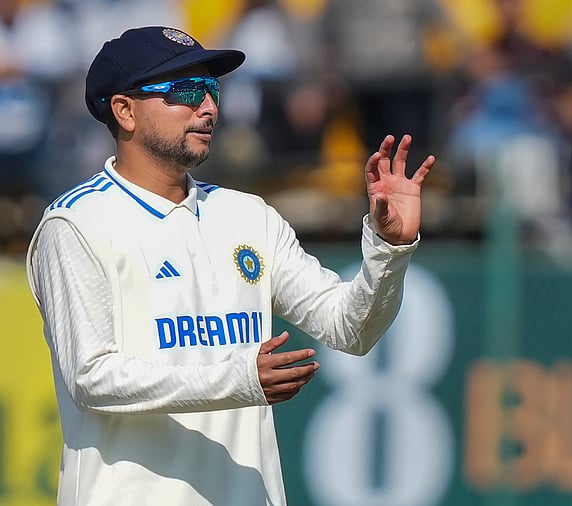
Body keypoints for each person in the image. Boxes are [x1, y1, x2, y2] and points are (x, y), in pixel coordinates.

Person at [24, 26, 434, 505]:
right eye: (185, 90)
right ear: (124, 110)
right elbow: (91, 378)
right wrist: (240, 378)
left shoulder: (248, 215)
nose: (208, 107)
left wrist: (388, 249)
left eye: (212, 89)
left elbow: (351, 329)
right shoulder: (77, 223)